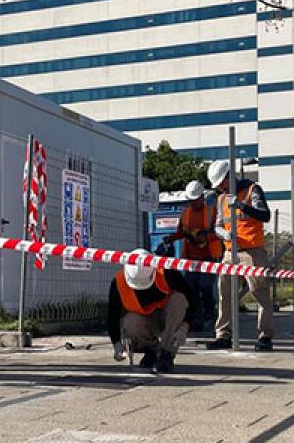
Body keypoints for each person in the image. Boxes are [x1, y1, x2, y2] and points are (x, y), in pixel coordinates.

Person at [205, 159, 275, 351]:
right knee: (224, 293)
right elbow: (218, 225)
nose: (220, 187)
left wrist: (242, 206)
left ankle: (265, 336)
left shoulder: (252, 190)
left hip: (252, 251)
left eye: (222, 183)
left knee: (260, 293)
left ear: (230, 176)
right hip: (230, 252)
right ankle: (223, 335)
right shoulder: (221, 200)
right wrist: (223, 234)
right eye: (218, 185)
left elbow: (264, 215)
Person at [106, 250, 197, 373]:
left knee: (179, 300)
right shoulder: (119, 283)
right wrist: (116, 343)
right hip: (145, 321)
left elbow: (191, 298)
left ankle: (167, 353)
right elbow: (112, 315)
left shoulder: (166, 272)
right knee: (129, 322)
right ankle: (153, 351)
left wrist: (185, 326)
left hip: (167, 317)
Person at [161, 181, 222, 333]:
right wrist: (171, 238)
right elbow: (181, 232)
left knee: (206, 287)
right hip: (191, 259)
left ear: (202, 197)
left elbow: (219, 232)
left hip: (209, 258)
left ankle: (210, 316)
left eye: (196, 199)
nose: (194, 202)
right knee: (191, 290)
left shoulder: (212, 212)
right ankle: (196, 320)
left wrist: (205, 237)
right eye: (191, 200)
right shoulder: (186, 213)